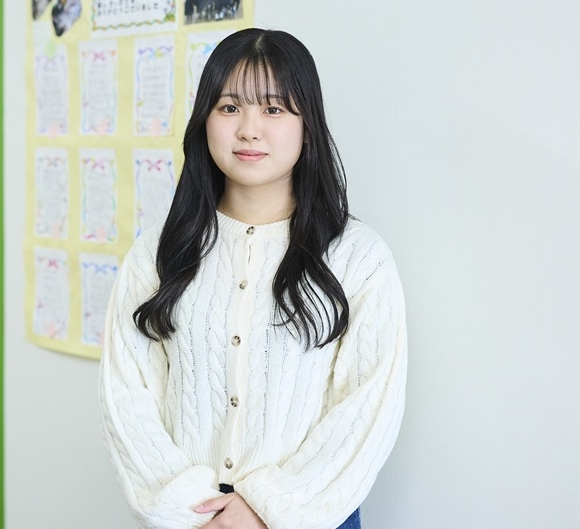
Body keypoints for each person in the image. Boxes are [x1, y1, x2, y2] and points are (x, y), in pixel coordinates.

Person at [99, 28, 407, 529]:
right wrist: (193, 510)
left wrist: (266, 509)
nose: (249, 129)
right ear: (204, 120)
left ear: (308, 125)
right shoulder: (157, 253)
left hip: (310, 519)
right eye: (229, 107)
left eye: (273, 108)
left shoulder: (358, 258)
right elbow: (127, 399)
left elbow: (367, 409)